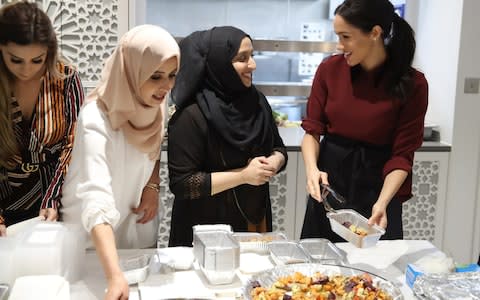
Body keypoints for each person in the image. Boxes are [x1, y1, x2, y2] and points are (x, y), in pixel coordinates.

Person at [60, 25, 179, 299]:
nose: (167, 86)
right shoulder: (95, 119)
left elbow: (154, 145)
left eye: (172, 75)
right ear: (130, 71)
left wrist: (151, 186)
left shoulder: (155, 103)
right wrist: (115, 277)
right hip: (91, 234)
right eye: (156, 76)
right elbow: (95, 197)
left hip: (132, 221)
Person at [300, 0, 428, 242]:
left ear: (375, 33)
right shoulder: (329, 70)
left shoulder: (413, 84)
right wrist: (312, 170)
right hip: (330, 185)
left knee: (374, 273)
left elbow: (402, 156)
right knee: (317, 269)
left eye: (346, 37)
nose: (340, 46)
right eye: (337, 36)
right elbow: (312, 131)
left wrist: (382, 203)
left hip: (379, 188)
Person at [168, 26, 288, 247]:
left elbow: (278, 148)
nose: (253, 64)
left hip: (252, 220)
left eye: (252, 55)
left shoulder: (257, 101)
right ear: (219, 63)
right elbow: (183, 184)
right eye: (242, 58)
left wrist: (273, 162)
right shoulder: (191, 115)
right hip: (204, 230)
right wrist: (244, 175)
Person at [0, 1, 84, 234]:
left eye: (37, 60)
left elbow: (73, 144)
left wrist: (53, 197)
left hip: (55, 197)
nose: (27, 70)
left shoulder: (66, 79)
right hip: (5, 198)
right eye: (15, 60)